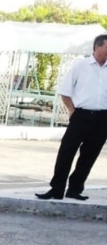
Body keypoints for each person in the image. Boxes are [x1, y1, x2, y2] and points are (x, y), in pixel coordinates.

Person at [35, 34, 107, 201]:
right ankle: (57, 189)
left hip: (103, 118)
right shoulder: (80, 66)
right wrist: (72, 110)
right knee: (66, 151)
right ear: (97, 47)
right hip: (80, 114)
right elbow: (65, 91)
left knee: (89, 155)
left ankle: (75, 189)